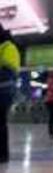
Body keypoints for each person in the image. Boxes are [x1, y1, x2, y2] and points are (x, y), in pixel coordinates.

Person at [0, 26, 19, 163]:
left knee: (0, 122)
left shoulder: (8, 47)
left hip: (4, 91)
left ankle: (2, 155)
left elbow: (8, 73)